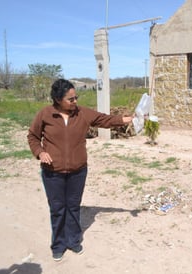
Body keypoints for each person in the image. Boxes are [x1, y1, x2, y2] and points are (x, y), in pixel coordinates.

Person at [27, 79, 134, 261]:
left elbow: (105, 120)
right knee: (58, 208)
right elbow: (33, 136)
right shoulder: (45, 114)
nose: (75, 101)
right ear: (58, 99)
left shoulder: (82, 113)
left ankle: (74, 241)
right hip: (52, 172)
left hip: (78, 171)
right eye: (70, 99)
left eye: (76, 97)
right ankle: (59, 244)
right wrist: (40, 152)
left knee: (73, 207)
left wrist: (128, 119)